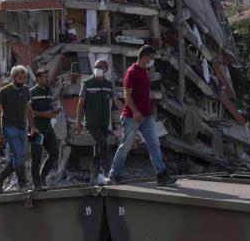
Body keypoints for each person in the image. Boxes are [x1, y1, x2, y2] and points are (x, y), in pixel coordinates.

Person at [108, 45, 177, 186]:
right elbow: (127, 95)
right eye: (151, 57)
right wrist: (135, 112)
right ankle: (114, 175)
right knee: (125, 146)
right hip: (131, 117)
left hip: (147, 116)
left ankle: (161, 175)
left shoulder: (145, 71)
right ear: (144, 56)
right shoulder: (132, 72)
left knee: (154, 144)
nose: (152, 60)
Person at [76, 58, 124, 185]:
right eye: (97, 66)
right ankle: (106, 172)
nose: (98, 69)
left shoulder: (108, 85)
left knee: (98, 149)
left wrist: (127, 111)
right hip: (91, 122)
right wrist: (78, 122)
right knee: (103, 143)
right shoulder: (87, 84)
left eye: (101, 67)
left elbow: (115, 100)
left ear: (106, 69)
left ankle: (94, 177)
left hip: (104, 122)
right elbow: (80, 104)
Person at [0, 65, 35, 193]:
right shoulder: (4, 92)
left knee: (16, 157)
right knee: (18, 153)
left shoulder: (26, 91)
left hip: (22, 127)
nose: (22, 81)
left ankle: (0, 177)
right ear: (13, 77)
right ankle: (22, 184)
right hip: (9, 127)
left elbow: (28, 109)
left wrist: (32, 126)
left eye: (24, 78)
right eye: (20, 78)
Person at [29, 69, 60, 190]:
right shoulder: (31, 92)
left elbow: (50, 107)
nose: (48, 79)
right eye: (45, 77)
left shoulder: (50, 91)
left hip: (48, 130)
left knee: (54, 153)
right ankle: (36, 184)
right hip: (35, 130)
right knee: (36, 158)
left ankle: (43, 178)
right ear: (38, 79)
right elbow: (28, 112)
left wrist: (55, 111)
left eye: (48, 77)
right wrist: (43, 114)